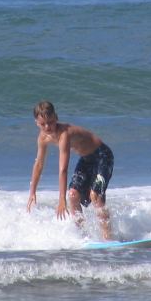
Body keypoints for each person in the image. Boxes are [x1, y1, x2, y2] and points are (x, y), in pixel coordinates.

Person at [27, 101, 114, 240]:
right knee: (73, 195)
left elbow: (63, 169)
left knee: (95, 195)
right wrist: (32, 192)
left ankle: (108, 238)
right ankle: (84, 237)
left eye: (50, 122)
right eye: (43, 124)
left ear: (56, 117)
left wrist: (61, 199)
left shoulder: (64, 134)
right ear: (36, 123)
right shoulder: (42, 138)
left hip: (102, 156)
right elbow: (38, 164)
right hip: (86, 159)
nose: (47, 127)